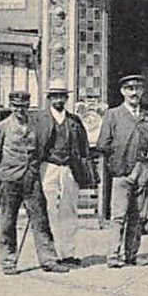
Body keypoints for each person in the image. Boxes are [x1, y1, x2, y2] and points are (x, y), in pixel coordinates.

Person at [0, 90, 65, 275]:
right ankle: (8, 261)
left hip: (31, 180)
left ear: (28, 107)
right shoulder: (2, 127)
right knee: (8, 221)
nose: (20, 110)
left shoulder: (36, 126)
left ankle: (49, 260)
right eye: (16, 107)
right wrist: (3, 174)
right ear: (10, 107)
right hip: (10, 180)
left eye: (23, 107)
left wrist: (33, 169)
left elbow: (40, 150)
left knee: (41, 220)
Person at [96, 74, 148, 269]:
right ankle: (113, 255)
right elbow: (103, 144)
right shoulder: (113, 114)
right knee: (118, 215)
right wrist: (116, 165)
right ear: (123, 91)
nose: (134, 93)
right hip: (122, 172)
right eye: (130, 89)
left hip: (144, 170)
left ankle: (132, 253)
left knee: (138, 215)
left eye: (138, 88)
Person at [31, 83, 93, 265]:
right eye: (55, 96)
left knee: (69, 210)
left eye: (62, 96)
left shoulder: (74, 121)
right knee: (49, 209)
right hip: (48, 168)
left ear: (67, 98)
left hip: (69, 169)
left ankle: (68, 253)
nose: (58, 99)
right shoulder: (40, 119)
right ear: (49, 98)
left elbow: (84, 148)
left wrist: (85, 170)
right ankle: (51, 254)